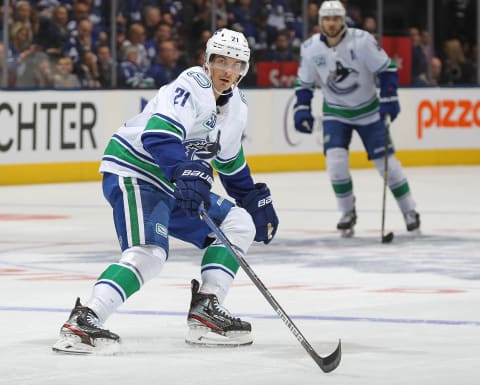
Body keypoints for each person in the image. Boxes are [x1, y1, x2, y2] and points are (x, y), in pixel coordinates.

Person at [52, 28, 279, 354]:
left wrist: (253, 197)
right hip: (135, 171)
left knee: (240, 222)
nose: (227, 70)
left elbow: (229, 162)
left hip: (173, 181)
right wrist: (184, 169)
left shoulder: (237, 107)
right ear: (208, 61)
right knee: (149, 253)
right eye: (221, 61)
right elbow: (158, 135)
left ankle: (206, 310)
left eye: (236, 64)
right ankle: (85, 319)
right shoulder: (191, 85)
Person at [293, 0, 420, 237]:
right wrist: (301, 107)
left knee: (388, 167)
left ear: (343, 20)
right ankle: (347, 212)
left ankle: (409, 211)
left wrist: (389, 97)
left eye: (336, 19)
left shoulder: (362, 41)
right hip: (335, 112)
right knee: (336, 164)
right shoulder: (310, 48)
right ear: (320, 21)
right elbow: (305, 83)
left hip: (370, 112)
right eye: (327, 19)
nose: (331, 23)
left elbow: (387, 69)